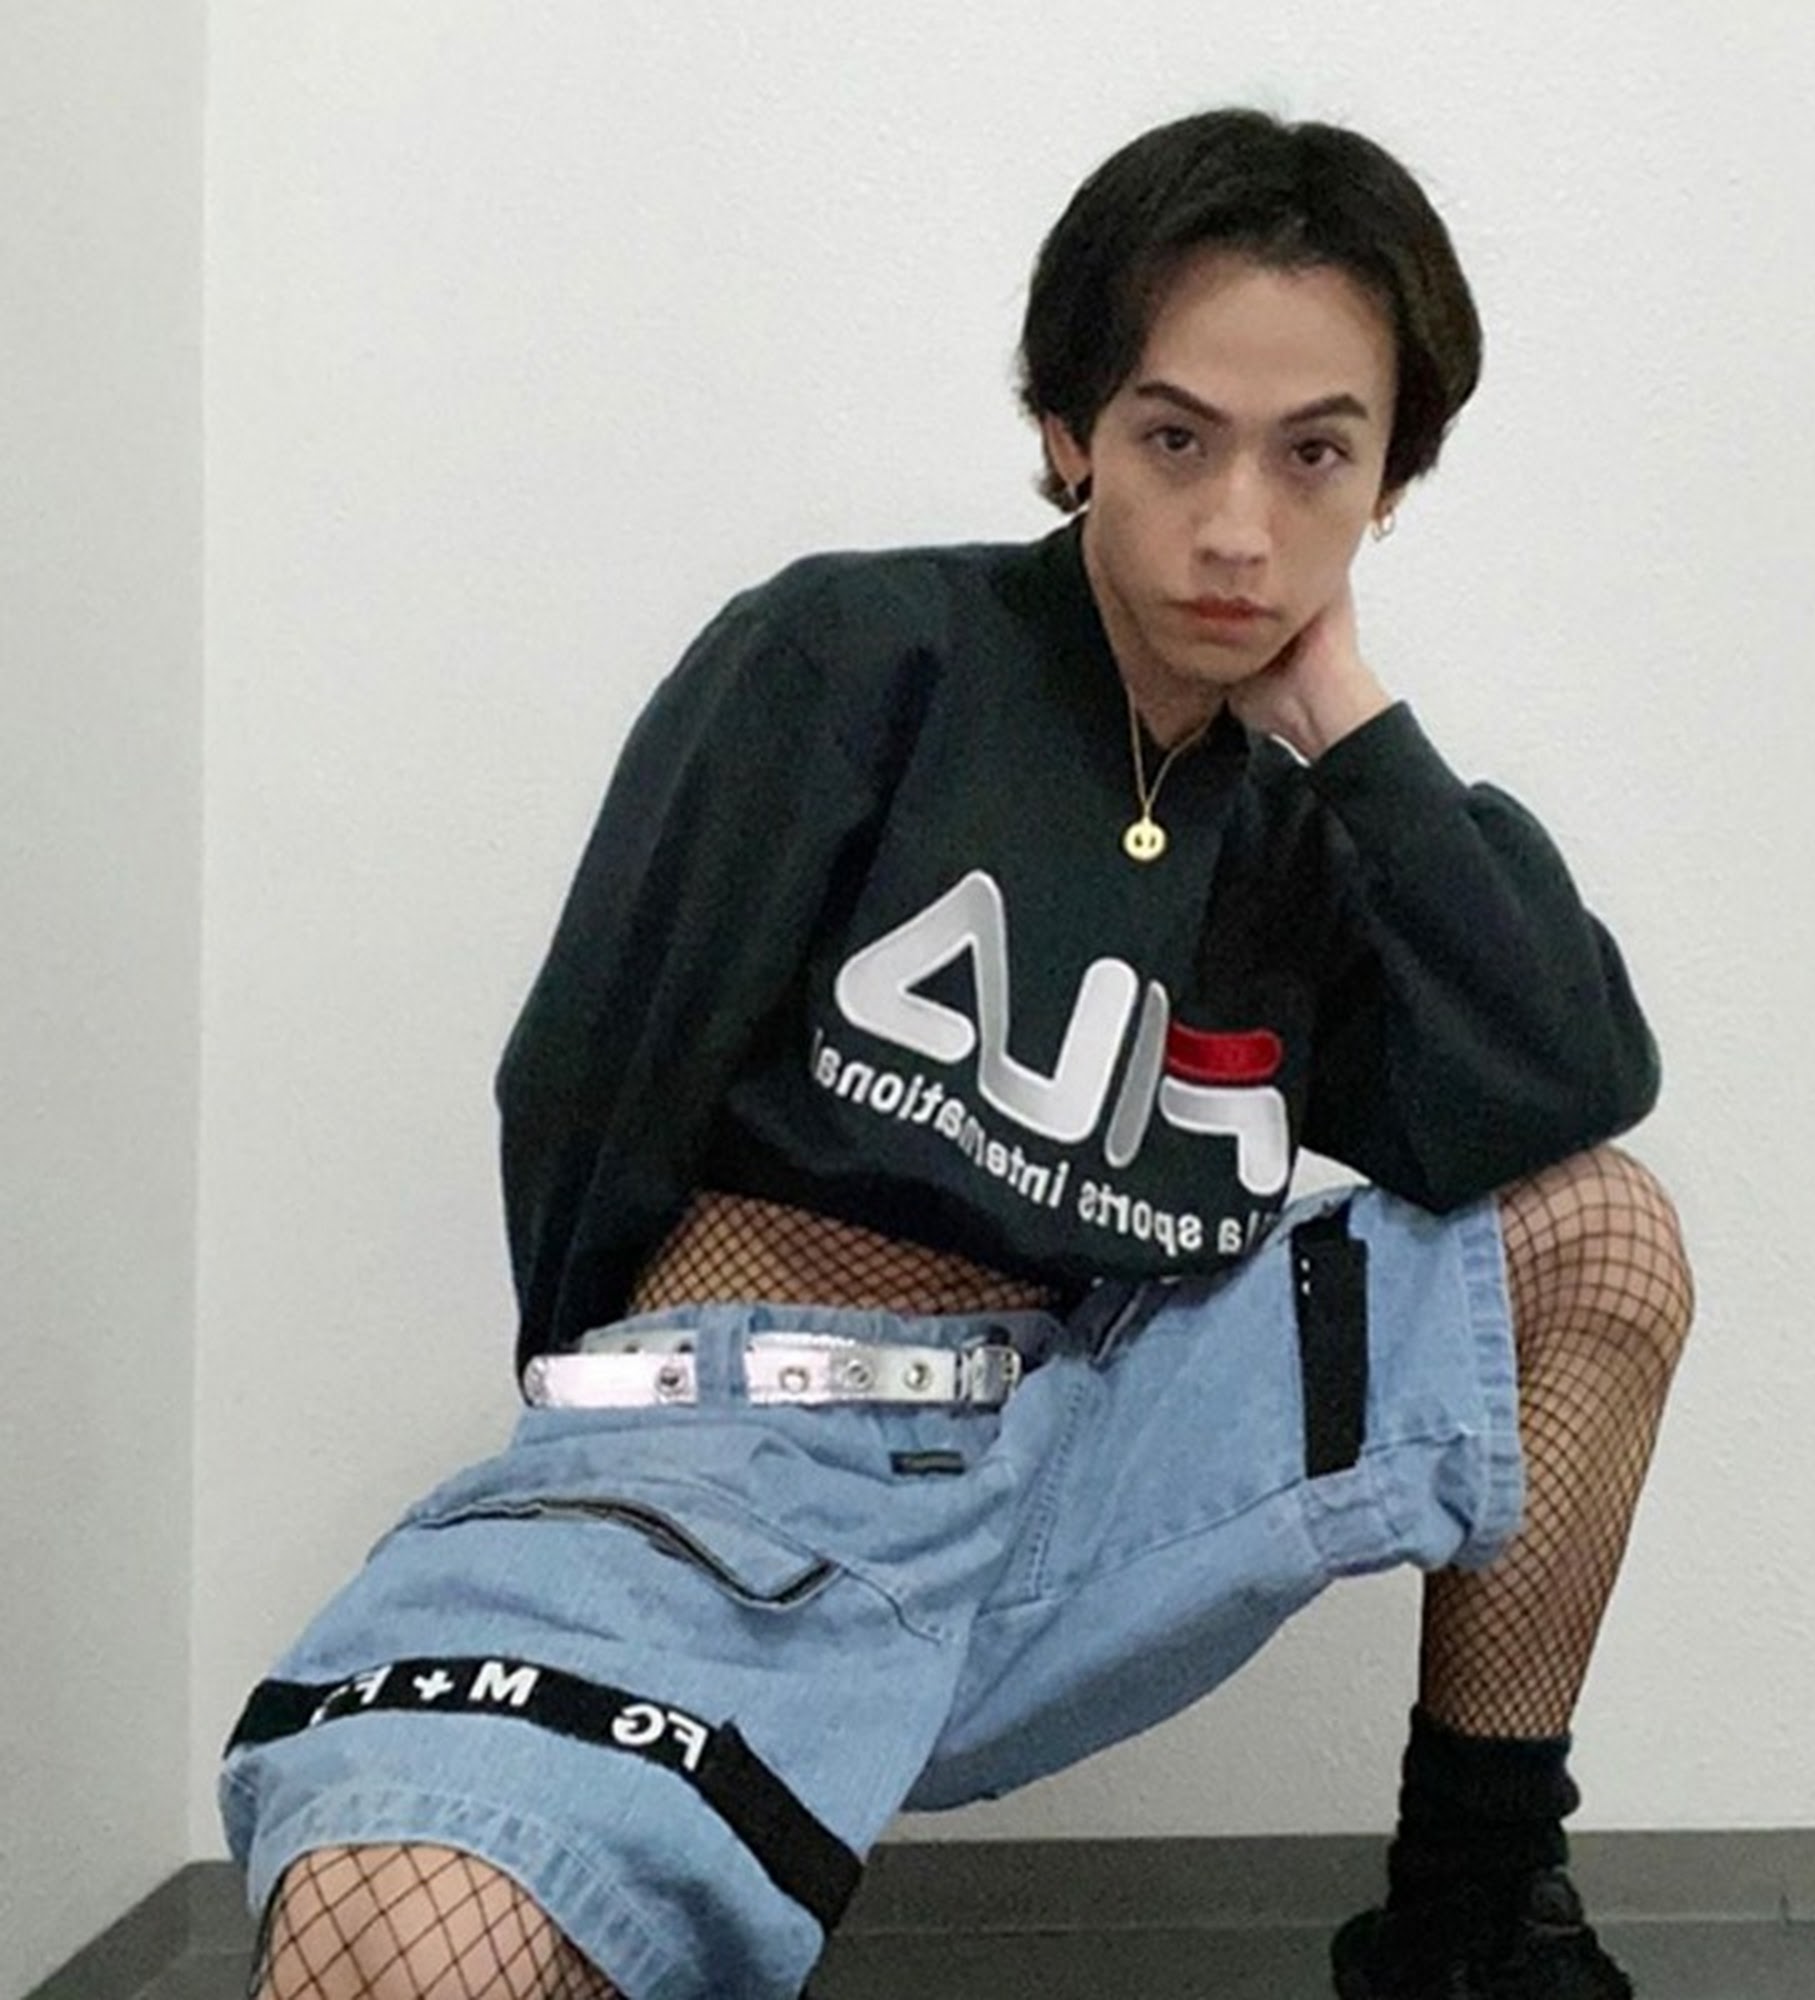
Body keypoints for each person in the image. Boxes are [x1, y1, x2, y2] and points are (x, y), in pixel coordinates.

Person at [219, 108, 1694, 2000]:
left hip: (1085, 1471)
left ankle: (1472, 1924)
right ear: (1071, 430)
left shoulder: (1313, 836)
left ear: (1393, 478)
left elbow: (1560, 1085)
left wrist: (1341, 707)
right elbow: (585, 1089)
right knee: (400, 1935)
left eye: (1316, 454)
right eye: (1175, 438)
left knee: (1603, 1232)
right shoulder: (860, 653)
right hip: (735, 1460)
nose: (1239, 527)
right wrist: (644, 1437)